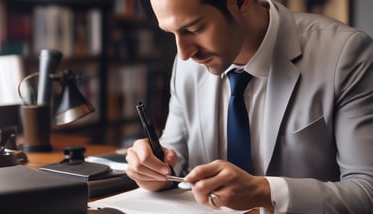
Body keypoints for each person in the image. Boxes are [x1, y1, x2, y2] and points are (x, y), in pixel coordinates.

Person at [125, 0, 373, 213]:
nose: (184, 53)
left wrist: (264, 191)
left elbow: (367, 191)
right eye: (172, 33)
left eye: (194, 28)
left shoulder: (346, 55)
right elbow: (176, 158)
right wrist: (153, 170)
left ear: (242, 2)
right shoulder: (187, 66)